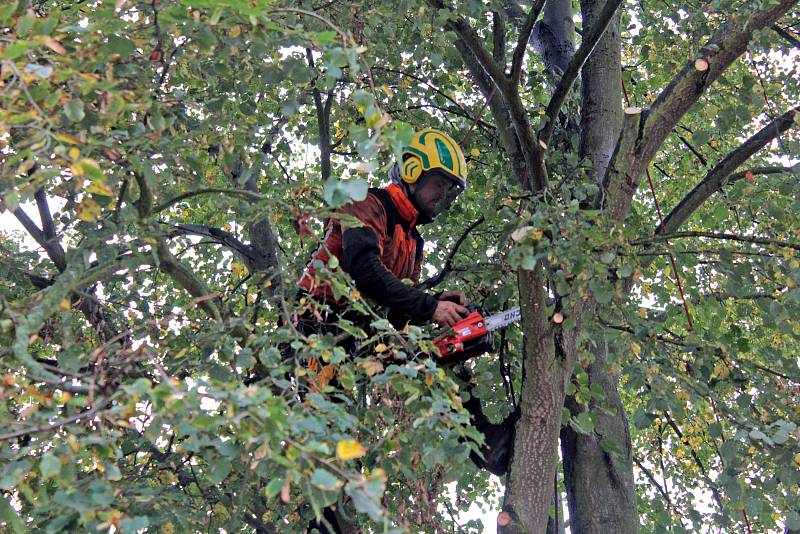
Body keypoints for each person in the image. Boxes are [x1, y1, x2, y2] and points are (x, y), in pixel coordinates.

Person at [297, 127, 471, 334]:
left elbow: (399, 308)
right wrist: (429, 307)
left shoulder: (414, 241)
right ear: (413, 171)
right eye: (439, 184)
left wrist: (435, 302)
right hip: (313, 317)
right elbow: (364, 269)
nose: (442, 194)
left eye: (448, 188)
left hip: (355, 331)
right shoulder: (366, 203)